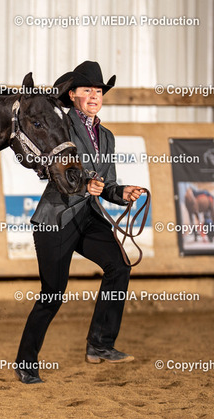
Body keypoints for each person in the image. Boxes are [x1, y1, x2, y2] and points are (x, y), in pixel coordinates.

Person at [14, 61, 146, 384]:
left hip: (88, 216)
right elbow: (50, 169)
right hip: (57, 218)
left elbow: (107, 184)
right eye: (87, 90)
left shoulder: (107, 137)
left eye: (99, 91)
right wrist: (85, 184)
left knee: (119, 266)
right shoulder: (62, 126)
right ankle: (25, 362)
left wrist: (121, 192)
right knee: (53, 294)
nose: (94, 95)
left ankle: (100, 343)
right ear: (72, 95)